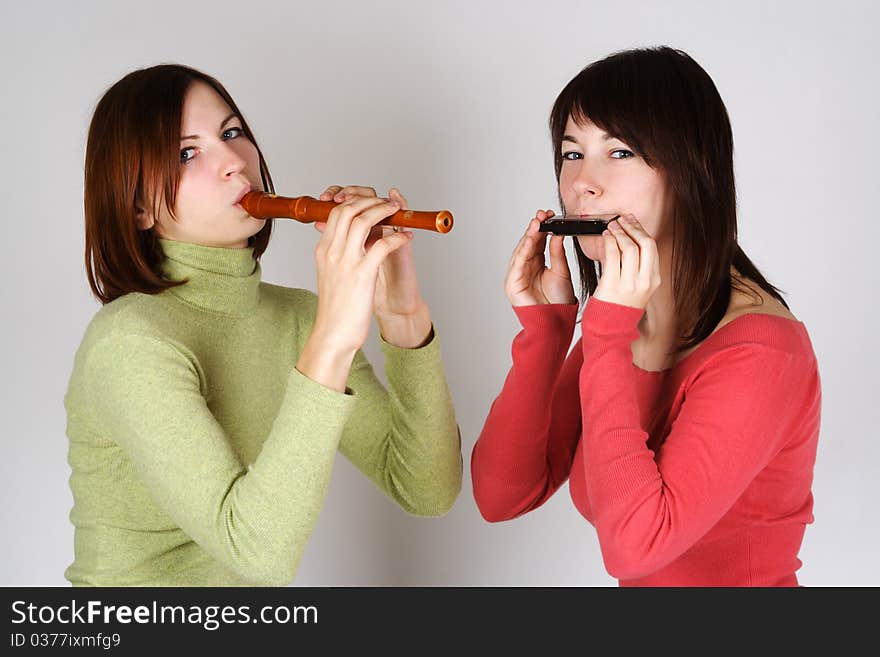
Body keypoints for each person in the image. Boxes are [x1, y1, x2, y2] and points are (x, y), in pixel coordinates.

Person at [64, 64, 462, 586]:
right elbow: (256, 552)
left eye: (232, 133)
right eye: (188, 152)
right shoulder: (131, 342)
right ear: (139, 204)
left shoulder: (294, 316)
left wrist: (403, 318)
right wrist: (333, 339)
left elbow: (427, 490)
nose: (234, 161)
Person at [471, 47, 821, 586]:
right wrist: (548, 332)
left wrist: (605, 333)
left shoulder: (761, 351)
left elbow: (637, 548)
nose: (582, 184)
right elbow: (502, 495)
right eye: (571, 154)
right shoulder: (623, 326)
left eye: (620, 153)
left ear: (688, 169)